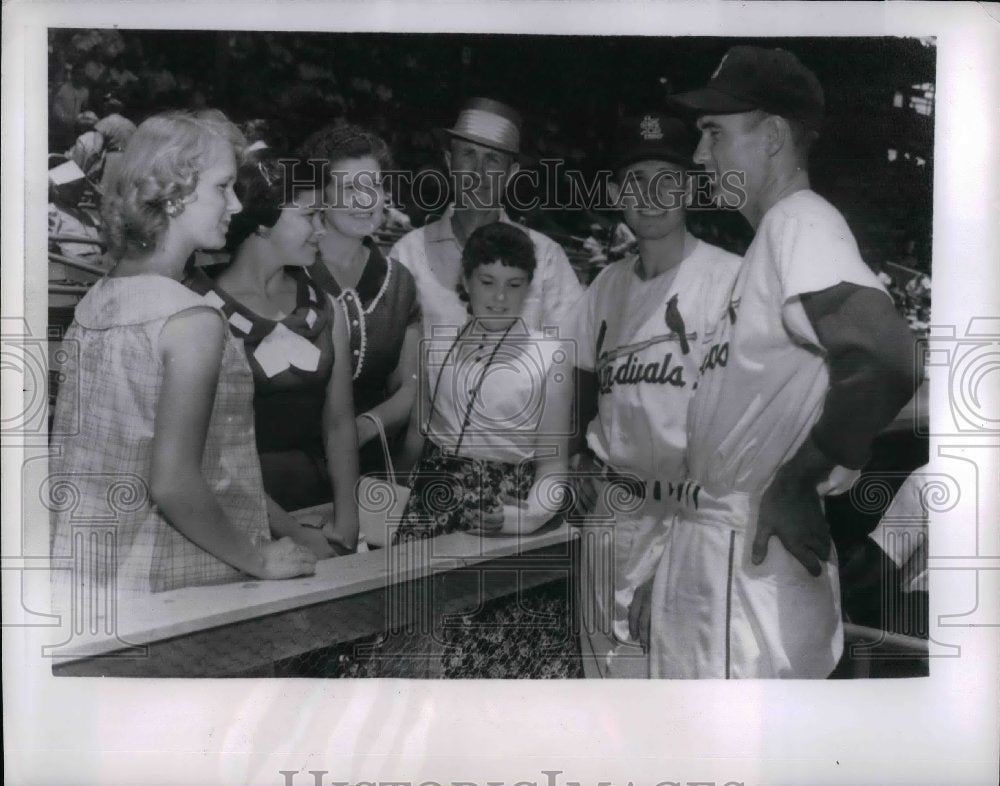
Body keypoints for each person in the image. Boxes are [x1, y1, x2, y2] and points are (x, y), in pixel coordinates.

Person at [629, 46, 920, 678]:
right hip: (718, 550)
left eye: (714, 133)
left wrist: (795, 482)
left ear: (774, 137)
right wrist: (669, 565)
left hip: (750, 554)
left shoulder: (801, 221)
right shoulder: (772, 239)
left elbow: (888, 355)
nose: (700, 156)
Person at [50, 110, 317, 607]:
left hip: (92, 577)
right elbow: (174, 481)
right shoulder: (190, 319)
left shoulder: (100, 298)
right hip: (179, 583)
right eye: (223, 187)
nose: (236, 205)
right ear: (174, 194)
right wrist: (258, 558)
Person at [562, 113, 742, 678]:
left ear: (690, 189)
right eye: (636, 180)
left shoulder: (730, 280)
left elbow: (734, 438)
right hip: (611, 511)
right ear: (617, 192)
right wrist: (574, 461)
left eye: (669, 180)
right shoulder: (607, 285)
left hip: (688, 515)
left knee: (667, 697)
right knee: (601, 689)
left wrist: (671, 565)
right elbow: (578, 380)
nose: (652, 196)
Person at [381, 222, 576, 677]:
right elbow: (418, 438)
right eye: (487, 282)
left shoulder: (551, 358)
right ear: (465, 281)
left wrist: (523, 518)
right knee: (414, 652)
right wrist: (393, 502)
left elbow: (553, 468)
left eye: (514, 285)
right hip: (431, 509)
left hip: (505, 510)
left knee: (486, 662)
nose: (499, 297)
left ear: (530, 287)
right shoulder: (438, 347)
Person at [184, 149, 359, 553]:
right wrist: (296, 537)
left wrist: (346, 519)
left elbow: (339, 423)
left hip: (320, 510)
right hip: (234, 519)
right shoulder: (199, 309)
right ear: (263, 222)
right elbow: (210, 457)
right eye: (310, 215)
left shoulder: (325, 306)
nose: (322, 229)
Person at [388, 97, 583, 339]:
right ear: (450, 162)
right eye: (468, 154)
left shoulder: (546, 258)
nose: (478, 172)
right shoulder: (407, 254)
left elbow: (572, 353)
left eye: (493, 159)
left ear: (511, 174)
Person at [298, 123, 422, 474]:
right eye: (350, 187)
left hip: (370, 470)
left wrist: (364, 428)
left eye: (375, 186)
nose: (366, 200)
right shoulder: (291, 271)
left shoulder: (399, 282)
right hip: (287, 472)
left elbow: (409, 387)